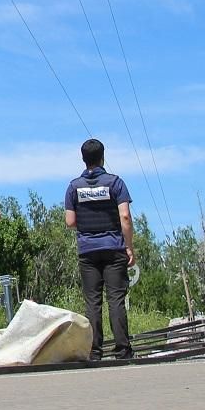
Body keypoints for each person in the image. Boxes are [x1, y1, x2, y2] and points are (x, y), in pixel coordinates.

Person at [65, 138, 135, 360]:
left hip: (87, 250)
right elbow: (125, 216)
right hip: (114, 248)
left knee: (93, 302)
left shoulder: (74, 186)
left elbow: (69, 221)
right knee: (115, 299)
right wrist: (129, 247)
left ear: (83, 159)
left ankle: (94, 351)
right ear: (103, 157)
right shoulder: (116, 183)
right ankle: (123, 349)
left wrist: (87, 228)